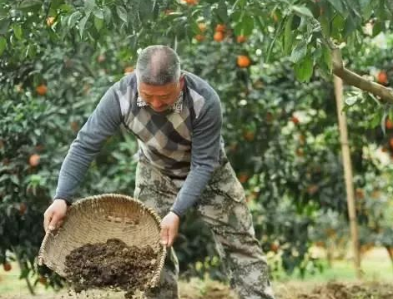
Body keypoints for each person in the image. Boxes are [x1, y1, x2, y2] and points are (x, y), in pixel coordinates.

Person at [43, 45, 275, 299]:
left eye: (164, 98)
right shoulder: (120, 96)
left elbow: (203, 165)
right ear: (136, 78)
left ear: (181, 81)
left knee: (240, 243)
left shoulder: (204, 100)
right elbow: (85, 146)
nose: (155, 104)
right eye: (147, 95)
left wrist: (176, 212)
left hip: (209, 173)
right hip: (156, 171)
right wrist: (61, 196)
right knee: (148, 250)